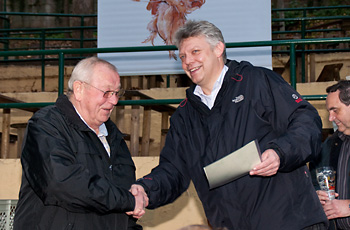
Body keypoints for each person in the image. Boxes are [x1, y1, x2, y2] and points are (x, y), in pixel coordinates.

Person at [129, 20, 328, 229]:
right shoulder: (184, 116)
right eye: (183, 57)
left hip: (290, 222)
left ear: (218, 49)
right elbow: (173, 170)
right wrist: (145, 190)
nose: (188, 61)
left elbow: (306, 120)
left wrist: (280, 153)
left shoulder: (257, 81)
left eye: (195, 51)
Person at [13, 57, 146, 230]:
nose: (114, 101)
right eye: (106, 92)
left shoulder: (114, 137)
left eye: (116, 93)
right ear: (79, 89)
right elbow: (61, 183)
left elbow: (123, 207)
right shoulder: (46, 125)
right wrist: (127, 200)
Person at [310, 80, 350, 230]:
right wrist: (316, 194)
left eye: (335, 110)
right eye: (329, 112)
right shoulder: (328, 145)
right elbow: (313, 181)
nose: (331, 118)